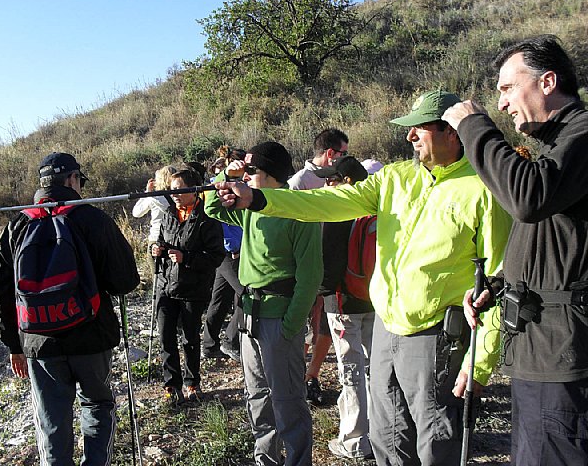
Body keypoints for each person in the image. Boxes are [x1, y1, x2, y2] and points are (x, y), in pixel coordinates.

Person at [213, 90, 513, 465]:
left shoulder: (485, 188)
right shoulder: (395, 178)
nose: (409, 136)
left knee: (435, 444)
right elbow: (330, 202)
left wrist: (479, 362)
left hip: (437, 338)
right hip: (386, 331)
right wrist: (258, 200)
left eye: (419, 128)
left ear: (452, 132)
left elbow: (499, 282)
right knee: (387, 439)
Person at [442, 35, 588, 465]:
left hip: (563, 353)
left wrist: (474, 126)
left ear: (547, 82)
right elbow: (556, 239)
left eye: (508, 88)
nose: (502, 103)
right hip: (541, 347)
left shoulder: (582, 137)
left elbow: (528, 199)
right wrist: (499, 284)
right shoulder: (557, 147)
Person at [0, 152, 140, 465]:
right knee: (97, 405)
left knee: (51, 418)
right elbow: (125, 281)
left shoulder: (17, 225)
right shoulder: (93, 219)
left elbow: (2, 291)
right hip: (91, 335)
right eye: (80, 180)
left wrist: (13, 345)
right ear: (72, 179)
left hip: (38, 338)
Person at [205, 141, 323, 466]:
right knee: (257, 396)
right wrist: (227, 176)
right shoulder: (250, 206)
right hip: (249, 317)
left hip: (279, 318)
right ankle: (265, 459)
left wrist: (291, 325)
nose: (245, 175)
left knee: (288, 400)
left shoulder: (299, 211)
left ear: (269, 174)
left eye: (251, 170)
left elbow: (311, 276)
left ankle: (297, 461)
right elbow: (212, 208)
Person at [313, 156, 377, 460]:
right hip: (374, 299)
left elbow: (327, 263)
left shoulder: (338, 210)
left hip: (342, 303)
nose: (327, 184)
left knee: (351, 371)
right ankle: (381, 431)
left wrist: (319, 294)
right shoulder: (375, 205)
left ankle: (354, 440)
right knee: (375, 368)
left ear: (347, 181)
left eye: (332, 179)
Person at [151, 169, 225, 404]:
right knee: (166, 337)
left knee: (190, 338)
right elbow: (162, 241)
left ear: (194, 191)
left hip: (193, 288)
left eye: (179, 189)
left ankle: (192, 383)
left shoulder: (207, 217)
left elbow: (216, 256)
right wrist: (157, 250)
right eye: (172, 190)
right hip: (165, 285)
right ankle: (171, 386)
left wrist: (187, 258)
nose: (174, 194)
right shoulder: (168, 214)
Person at [288, 128, 349, 406]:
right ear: (331, 153)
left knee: (324, 323)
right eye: (344, 153)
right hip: (305, 264)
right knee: (304, 322)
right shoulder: (300, 181)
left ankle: (311, 376)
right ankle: (296, 376)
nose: (347, 158)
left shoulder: (339, 177)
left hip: (331, 263)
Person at [203, 147, 246, 361]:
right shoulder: (217, 188)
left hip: (231, 250)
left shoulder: (240, 187)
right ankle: (230, 340)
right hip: (229, 252)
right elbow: (219, 220)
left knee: (220, 298)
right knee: (246, 294)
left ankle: (209, 344)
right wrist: (233, 248)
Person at [132, 165, 177, 271]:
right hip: (175, 237)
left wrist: (147, 193)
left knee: (157, 274)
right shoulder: (179, 196)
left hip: (156, 238)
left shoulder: (153, 197)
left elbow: (136, 213)